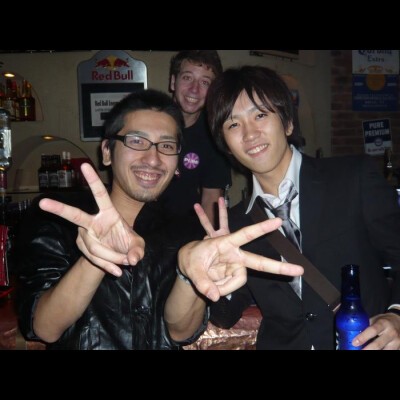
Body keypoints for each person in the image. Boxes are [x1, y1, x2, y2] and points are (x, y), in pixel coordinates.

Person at [16, 88, 303, 350]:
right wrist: (94, 259)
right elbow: (45, 328)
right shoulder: (59, 218)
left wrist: (188, 275)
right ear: (107, 151)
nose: (152, 159)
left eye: (166, 146)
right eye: (136, 141)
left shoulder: (188, 230)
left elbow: (180, 332)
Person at [196, 65, 400, 350]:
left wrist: (397, 315)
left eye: (260, 115)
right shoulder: (235, 224)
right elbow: (225, 315)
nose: (250, 133)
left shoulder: (352, 178)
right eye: (233, 125)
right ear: (226, 145)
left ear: (288, 123)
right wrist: (213, 277)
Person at [159, 50, 231, 226]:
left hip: (186, 229)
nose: (194, 89)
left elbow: (211, 197)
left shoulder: (214, 136)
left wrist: (209, 239)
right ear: (173, 82)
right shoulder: (147, 120)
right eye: (187, 78)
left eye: (205, 82)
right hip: (139, 225)